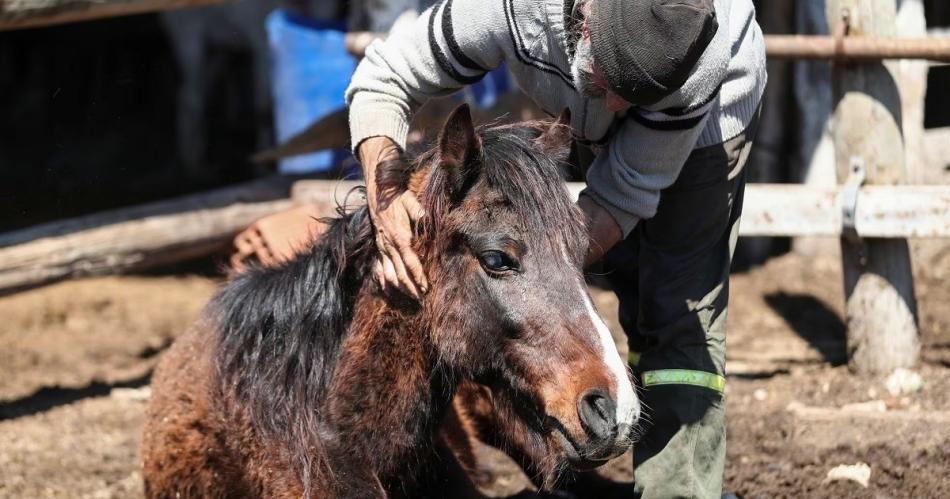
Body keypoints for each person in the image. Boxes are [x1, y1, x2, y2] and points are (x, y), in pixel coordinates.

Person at [241, 0, 765, 496]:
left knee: (675, 312)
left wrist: (535, 271)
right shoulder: (505, 10)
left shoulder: (700, 67)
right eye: (612, 85)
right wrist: (387, 201)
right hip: (577, 86)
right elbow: (385, 77)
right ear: (582, 25)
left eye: (633, 98)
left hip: (703, 126)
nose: (617, 110)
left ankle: (680, 491)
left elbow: (626, 193)